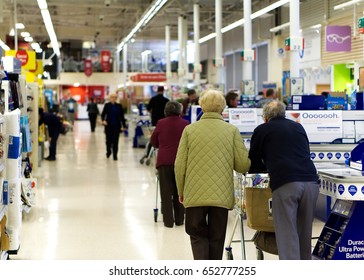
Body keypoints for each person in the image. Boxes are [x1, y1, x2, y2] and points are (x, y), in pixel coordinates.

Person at [174, 89, 251, 260]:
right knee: (217, 237)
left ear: (201, 106)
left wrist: (181, 191)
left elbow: (179, 165)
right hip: (221, 195)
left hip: (194, 193)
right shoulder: (231, 131)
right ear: (223, 108)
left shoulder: (189, 130)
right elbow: (242, 165)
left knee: (196, 234)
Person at [248, 100, 319, 260]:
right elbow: (305, 152)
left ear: (265, 117)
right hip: (310, 182)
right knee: (304, 233)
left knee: (287, 234)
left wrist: (264, 173)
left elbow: (254, 161)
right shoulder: (298, 127)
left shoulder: (262, 130)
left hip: (286, 183)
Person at [150, 101, 189, 228]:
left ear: (166, 111)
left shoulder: (161, 123)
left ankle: (168, 221)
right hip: (181, 161)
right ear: (180, 111)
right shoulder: (185, 124)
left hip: (164, 161)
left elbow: (154, 141)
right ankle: (179, 219)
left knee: (166, 192)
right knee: (180, 191)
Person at [101, 93, 127, 161]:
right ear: (110, 98)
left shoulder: (119, 106)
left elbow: (122, 116)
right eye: (112, 97)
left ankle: (115, 155)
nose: (114, 98)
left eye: (115, 97)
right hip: (108, 126)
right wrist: (103, 120)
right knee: (108, 141)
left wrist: (124, 126)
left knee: (116, 141)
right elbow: (103, 114)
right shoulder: (107, 105)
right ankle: (109, 151)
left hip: (116, 126)